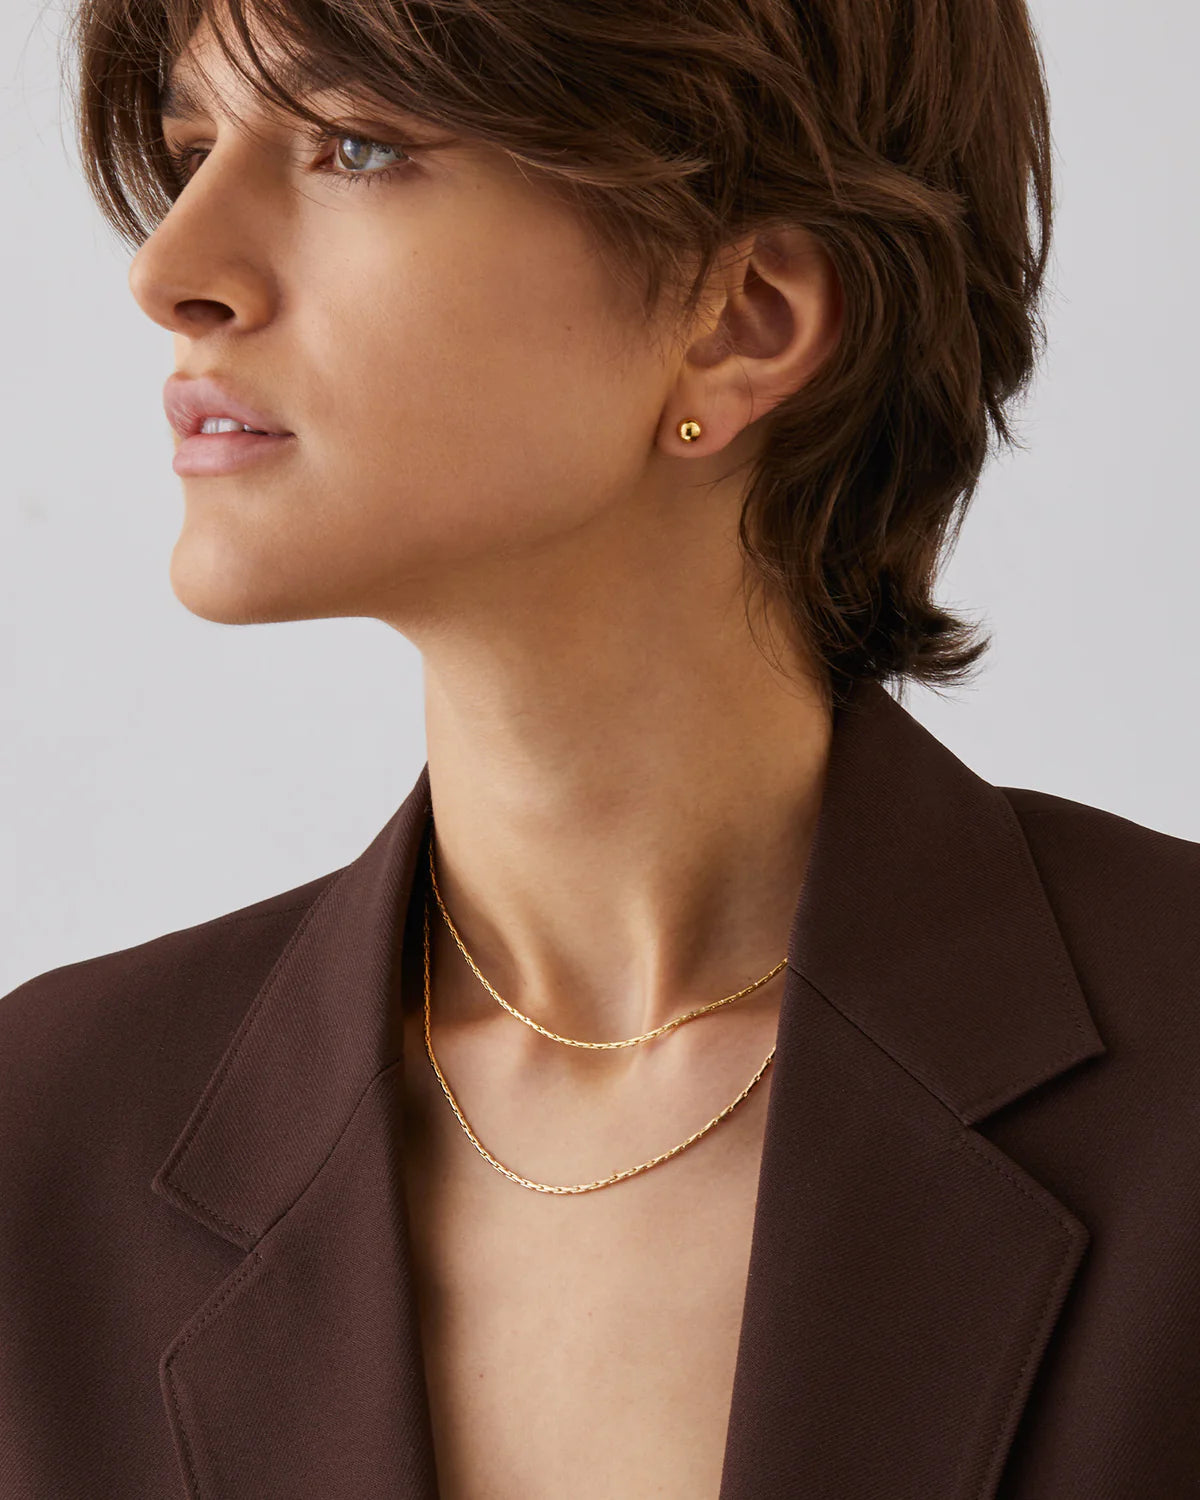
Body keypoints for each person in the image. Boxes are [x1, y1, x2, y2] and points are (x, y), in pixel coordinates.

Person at [1, 0, 1197, 1495]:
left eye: (355, 144)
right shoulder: (50, 1141)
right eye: (189, 149)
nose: (171, 271)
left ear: (743, 316)